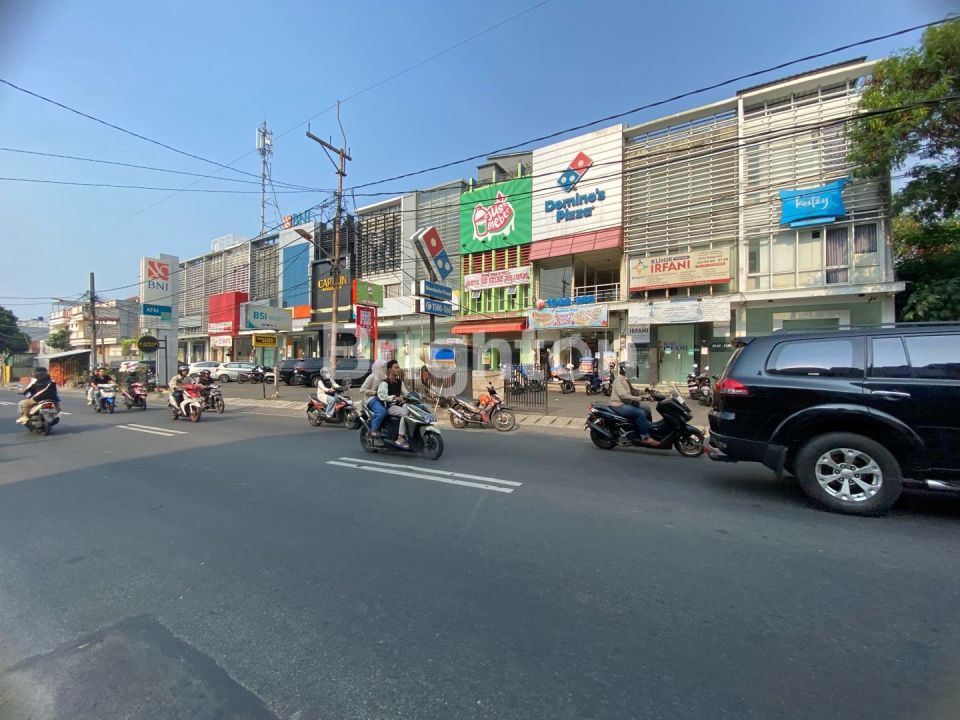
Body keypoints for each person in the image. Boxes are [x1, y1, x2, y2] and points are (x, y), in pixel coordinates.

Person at [609, 362, 657, 446]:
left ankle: (645, 430)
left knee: (647, 410)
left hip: (626, 404)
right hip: (618, 405)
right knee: (641, 413)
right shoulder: (619, 381)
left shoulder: (625, 380)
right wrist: (640, 398)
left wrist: (645, 392)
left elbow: (633, 391)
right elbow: (623, 396)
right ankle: (645, 437)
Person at [378, 359, 410, 449]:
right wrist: (394, 398)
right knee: (405, 413)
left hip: (399, 405)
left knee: (412, 410)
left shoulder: (400, 382)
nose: (398, 369)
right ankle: (400, 437)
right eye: (395, 368)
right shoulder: (385, 383)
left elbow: (406, 393)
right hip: (390, 407)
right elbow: (382, 396)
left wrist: (407, 398)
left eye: (398, 368)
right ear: (389, 370)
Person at [359, 359, 388, 435]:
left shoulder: (385, 377)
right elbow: (362, 390)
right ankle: (373, 429)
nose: (385, 369)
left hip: (384, 399)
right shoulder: (372, 377)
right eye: (383, 367)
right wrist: (374, 393)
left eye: (385, 367)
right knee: (381, 412)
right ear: (378, 367)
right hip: (372, 399)